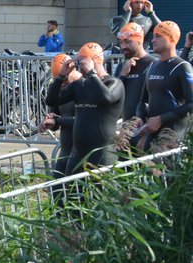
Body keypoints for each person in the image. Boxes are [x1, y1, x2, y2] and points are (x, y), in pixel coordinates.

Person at [57, 42, 124, 172]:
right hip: (78, 154)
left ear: (95, 61)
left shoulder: (114, 83)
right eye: (79, 62)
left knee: (100, 192)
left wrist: (92, 74)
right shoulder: (80, 85)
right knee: (69, 190)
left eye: (82, 62)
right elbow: (52, 100)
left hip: (103, 154)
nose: (79, 67)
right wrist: (61, 77)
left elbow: (107, 97)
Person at [136, 20, 193, 152]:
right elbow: (142, 101)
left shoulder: (182, 67)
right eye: (153, 36)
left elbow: (191, 104)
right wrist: (139, 120)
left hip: (173, 136)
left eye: (158, 36)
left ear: (171, 38)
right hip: (152, 134)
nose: (153, 40)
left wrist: (161, 119)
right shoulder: (152, 66)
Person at [41, 53, 79, 177]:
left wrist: (58, 121)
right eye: (58, 78)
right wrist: (50, 122)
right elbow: (56, 122)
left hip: (81, 153)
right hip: (65, 151)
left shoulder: (85, 87)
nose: (62, 83)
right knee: (56, 192)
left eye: (65, 78)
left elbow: (84, 120)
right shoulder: (59, 89)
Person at [115, 22, 154, 124]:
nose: (123, 47)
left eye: (127, 42)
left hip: (146, 128)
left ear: (139, 41)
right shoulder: (122, 66)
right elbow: (113, 96)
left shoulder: (153, 64)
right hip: (126, 130)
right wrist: (122, 75)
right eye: (121, 42)